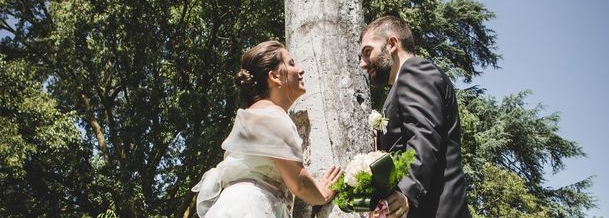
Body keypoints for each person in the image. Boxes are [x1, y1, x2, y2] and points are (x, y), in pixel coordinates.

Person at [192, 41, 342, 217]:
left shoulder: (255, 113)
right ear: (275, 77)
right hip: (251, 207)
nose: (301, 70)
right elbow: (299, 183)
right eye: (292, 64)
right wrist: (322, 194)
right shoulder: (272, 115)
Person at [359, 16, 470, 218]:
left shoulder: (415, 71)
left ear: (392, 44)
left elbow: (425, 134)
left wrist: (406, 190)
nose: (362, 64)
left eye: (368, 52)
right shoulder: (400, 87)